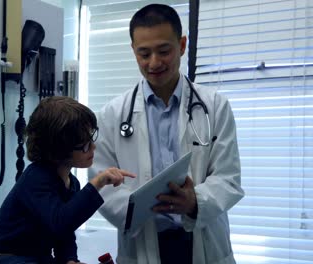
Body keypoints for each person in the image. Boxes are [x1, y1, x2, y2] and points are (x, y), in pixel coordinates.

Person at [88, 3, 245, 264]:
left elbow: (228, 178)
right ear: (133, 51)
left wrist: (195, 201)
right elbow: (101, 184)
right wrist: (133, 209)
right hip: (143, 242)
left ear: (182, 45)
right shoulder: (113, 114)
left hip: (202, 240)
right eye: (144, 53)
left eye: (164, 51)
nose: (154, 63)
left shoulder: (215, 107)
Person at [0, 96, 136, 264]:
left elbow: (65, 232)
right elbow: (60, 222)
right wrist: (97, 183)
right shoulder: (35, 178)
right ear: (58, 149)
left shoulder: (71, 182)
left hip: (37, 258)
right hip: (4, 257)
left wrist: (70, 259)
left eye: (91, 138)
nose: (93, 147)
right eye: (84, 144)